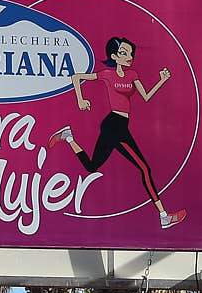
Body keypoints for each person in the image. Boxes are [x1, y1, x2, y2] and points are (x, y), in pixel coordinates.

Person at [49, 37, 186, 230]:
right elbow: (76, 77)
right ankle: (163, 216)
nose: (128, 56)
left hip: (121, 126)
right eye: (123, 53)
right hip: (114, 125)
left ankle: (68, 137)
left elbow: (146, 96)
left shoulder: (133, 75)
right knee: (144, 169)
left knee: (91, 166)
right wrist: (81, 99)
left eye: (130, 53)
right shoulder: (107, 74)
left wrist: (161, 81)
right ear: (114, 56)